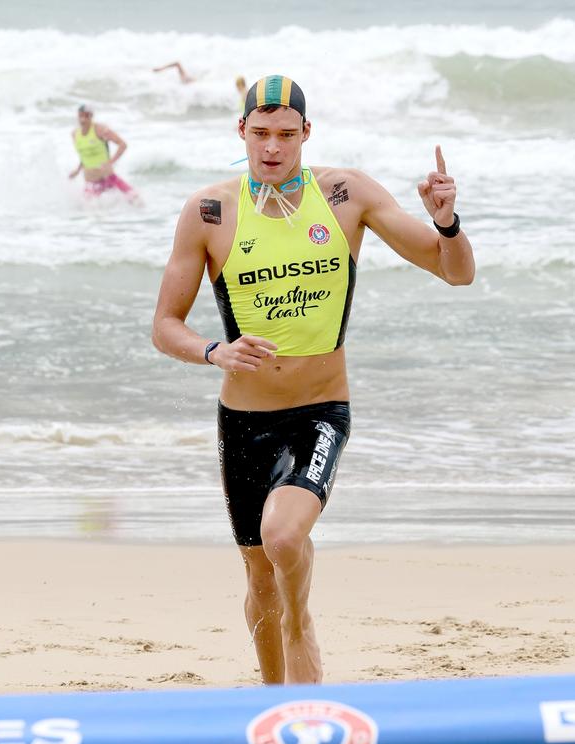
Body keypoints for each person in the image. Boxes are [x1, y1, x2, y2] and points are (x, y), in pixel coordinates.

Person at [152, 74, 475, 687]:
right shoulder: (209, 211)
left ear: (307, 134)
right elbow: (165, 326)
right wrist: (213, 351)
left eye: (286, 134)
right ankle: (276, 701)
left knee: (282, 534)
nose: (272, 147)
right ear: (241, 132)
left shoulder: (346, 194)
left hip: (320, 408)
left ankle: (302, 622)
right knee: (256, 573)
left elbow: (454, 272)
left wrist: (448, 224)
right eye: (260, 133)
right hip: (243, 420)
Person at [69, 104, 137, 199]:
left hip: (108, 178)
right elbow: (84, 155)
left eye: (86, 116)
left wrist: (111, 162)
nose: (83, 119)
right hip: (91, 183)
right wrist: (77, 170)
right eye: (81, 116)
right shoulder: (75, 134)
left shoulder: (100, 129)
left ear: (91, 116)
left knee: (136, 199)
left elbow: (123, 145)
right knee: (86, 212)